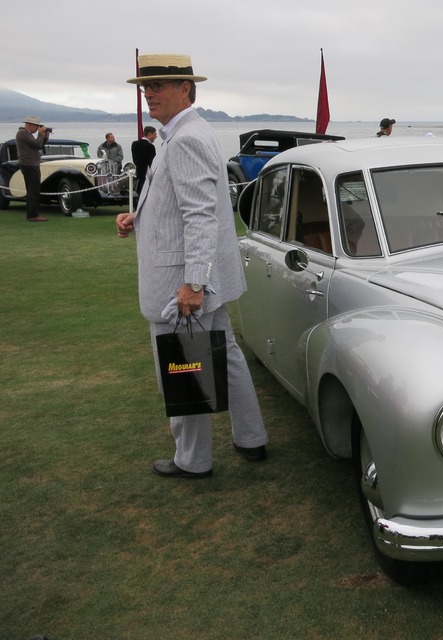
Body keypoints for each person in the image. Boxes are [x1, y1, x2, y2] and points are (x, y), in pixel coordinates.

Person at [116, 53, 269, 477]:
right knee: (227, 357)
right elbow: (182, 204)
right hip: (199, 274)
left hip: (182, 281)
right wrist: (137, 216)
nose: (149, 94)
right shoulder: (185, 132)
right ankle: (251, 438)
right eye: (146, 87)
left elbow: (200, 215)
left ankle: (193, 460)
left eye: (159, 86)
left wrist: (193, 284)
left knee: (181, 364)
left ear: (186, 88)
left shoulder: (184, 138)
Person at [15, 115, 50, 222]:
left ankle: (32, 214)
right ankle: (32, 215)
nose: (37, 128)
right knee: (33, 190)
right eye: (36, 126)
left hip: (30, 164)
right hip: (29, 164)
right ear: (29, 125)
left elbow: (39, 144)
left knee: (33, 190)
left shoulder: (26, 134)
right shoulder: (23, 133)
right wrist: (40, 134)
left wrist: (45, 135)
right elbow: (37, 144)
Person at [130, 126, 158, 195]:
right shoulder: (150, 146)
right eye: (154, 134)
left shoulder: (134, 144)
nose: (156, 137)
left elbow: (134, 159)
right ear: (149, 134)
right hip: (147, 174)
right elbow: (152, 163)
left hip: (138, 173)